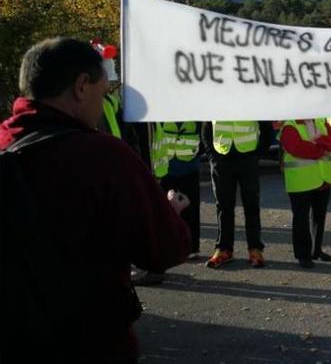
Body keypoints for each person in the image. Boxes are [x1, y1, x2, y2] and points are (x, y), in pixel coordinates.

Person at [0, 37, 190, 363]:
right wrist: (170, 212)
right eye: (103, 94)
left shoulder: (5, 142)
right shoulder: (104, 156)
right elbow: (164, 249)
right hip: (90, 339)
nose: (103, 107)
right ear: (81, 86)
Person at [134, 121, 203, 287]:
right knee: (164, 214)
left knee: (190, 210)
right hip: (166, 166)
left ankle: (191, 248)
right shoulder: (162, 112)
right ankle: (168, 251)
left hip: (188, 164)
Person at [202, 119, 274, 268]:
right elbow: (206, 126)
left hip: (247, 158)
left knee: (251, 206)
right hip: (222, 158)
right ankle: (223, 249)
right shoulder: (215, 97)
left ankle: (255, 249)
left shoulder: (252, 96)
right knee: (223, 206)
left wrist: (258, 154)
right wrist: (212, 156)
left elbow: (267, 127)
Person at [279, 118, 331, 269]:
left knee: (319, 216)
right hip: (301, 180)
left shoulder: (320, 121)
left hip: (323, 178)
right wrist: (322, 148)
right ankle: (303, 255)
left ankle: (316, 250)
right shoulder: (290, 125)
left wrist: (318, 139)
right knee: (301, 219)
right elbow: (297, 148)